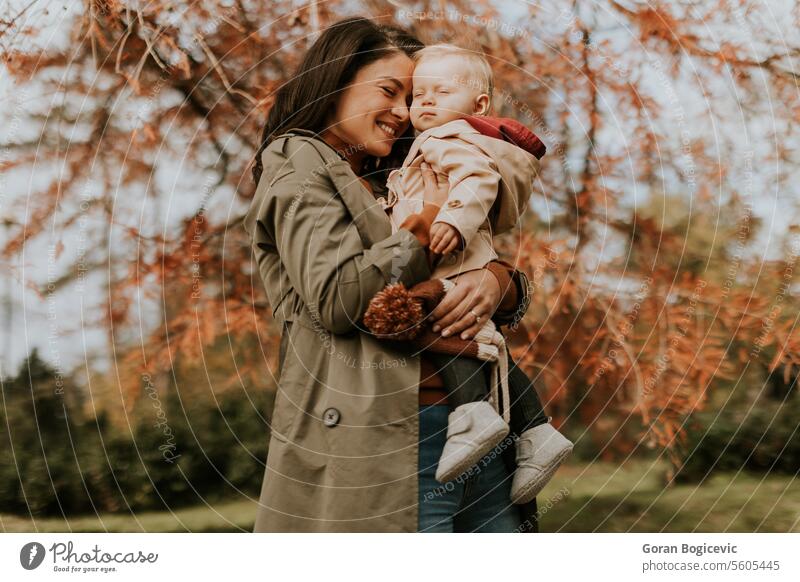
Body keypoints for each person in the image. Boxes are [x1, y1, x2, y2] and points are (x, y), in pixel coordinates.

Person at [244, 16, 538, 532]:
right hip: (395, 434)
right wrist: (421, 232)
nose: (405, 112)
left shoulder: (406, 166)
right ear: (337, 80)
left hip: (480, 417)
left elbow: (474, 260)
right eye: (390, 91)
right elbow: (341, 299)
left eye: (415, 96)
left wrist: (499, 282)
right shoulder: (298, 165)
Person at [363, 43, 573, 505]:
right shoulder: (433, 141)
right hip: (460, 256)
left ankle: (473, 412)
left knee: (445, 325)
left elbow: (479, 178)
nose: (426, 103)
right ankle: (536, 430)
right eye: (420, 95)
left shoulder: (445, 139)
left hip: (453, 256)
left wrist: (451, 219)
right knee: (483, 339)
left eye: (441, 92)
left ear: (479, 106)